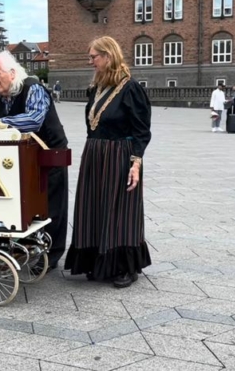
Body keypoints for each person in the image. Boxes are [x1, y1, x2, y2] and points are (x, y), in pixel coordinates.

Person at [64, 36, 152, 288]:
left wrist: (135, 163)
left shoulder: (130, 88)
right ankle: (96, 261)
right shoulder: (96, 88)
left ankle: (124, 267)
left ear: (108, 56)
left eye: (94, 56)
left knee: (120, 210)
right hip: (95, 154)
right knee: (92, 207)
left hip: (119, 155)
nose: (90, 61)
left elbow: (141, 130)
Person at [0, 50, 69, 270]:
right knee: (21, 204)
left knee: (50, 206)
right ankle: (19, 248)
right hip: (21, 159)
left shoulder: (33, 87)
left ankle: (50, 256)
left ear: (12, 73)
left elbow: (34, 119)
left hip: (49, 154)